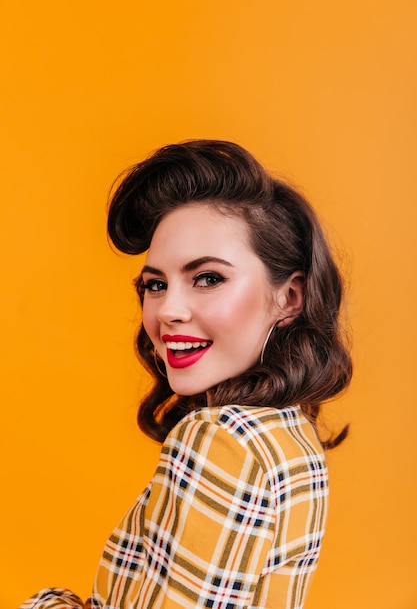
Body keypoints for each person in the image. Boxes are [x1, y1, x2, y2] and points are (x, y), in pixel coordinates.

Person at [21, 140, 352, 609]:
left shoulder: (220, 439)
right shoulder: (290, 436)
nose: (168, 311)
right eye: (155, 284)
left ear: (290, 297)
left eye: (208, 278)